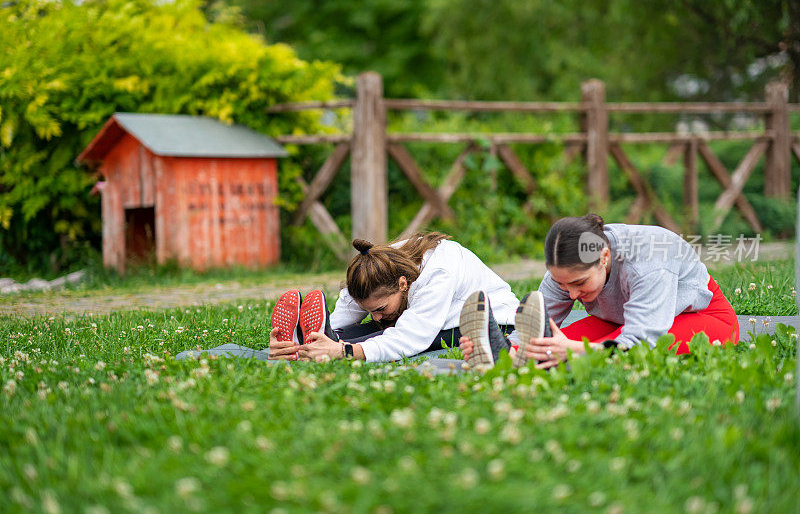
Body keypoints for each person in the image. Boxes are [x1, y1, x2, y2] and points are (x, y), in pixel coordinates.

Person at [460, 214, 739, 370]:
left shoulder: (648, 262)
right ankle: (504, 358)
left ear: (604, 257)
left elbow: (641, 340)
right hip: (619, 319)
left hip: (702, 318)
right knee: (552, 346)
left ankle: (560, 359)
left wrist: (578, 349)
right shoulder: (568, 262)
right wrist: (510, 344)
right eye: (562, 285)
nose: (570, 295)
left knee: (594, 354)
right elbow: (538, 321)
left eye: (580, 284)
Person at [268, 232, 520, 363]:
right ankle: (303, 344)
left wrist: (344, 351)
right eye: (369, 310)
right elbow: (346, 313)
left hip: (494, 322)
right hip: (428, 316)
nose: (375, 316)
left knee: (399, 333)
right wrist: (312, 339)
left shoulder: (438, 273)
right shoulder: (377, 266)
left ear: (402, 284)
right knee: (372, 328)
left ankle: (325, 346)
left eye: (379, 307)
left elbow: (411, 337)